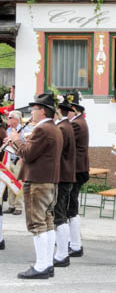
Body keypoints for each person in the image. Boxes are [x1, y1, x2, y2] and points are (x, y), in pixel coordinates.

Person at [10, 93, 63, 279]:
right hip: (49, 180)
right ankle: (47, 263)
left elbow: (29, 154)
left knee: (36, 223)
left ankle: (41, 266)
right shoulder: (53, 128)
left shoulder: (42, 130)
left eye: (34, 109)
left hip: (38, 181)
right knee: (47, 222)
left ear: (42, 111)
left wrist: (16, 140)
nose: (31, 112)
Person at [53, 98, 76, 268]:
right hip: (66, 174)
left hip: (62, 175)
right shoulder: (66, 126)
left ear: (58, 112)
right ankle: (62, 251)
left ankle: (62, 254)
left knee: (59, 214)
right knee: (61, 213)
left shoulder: (61, 127)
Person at [66, 90, 89, 258]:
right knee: (70, 205)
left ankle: (75, 245)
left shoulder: (75, 124)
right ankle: (71, 241)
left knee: (71, 207)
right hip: (77, 168)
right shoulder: (78, 121)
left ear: (73, 109)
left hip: (76, 169)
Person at [4, 110, 25, 215]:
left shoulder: (24, 129)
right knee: (10, 182)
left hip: (19, 159)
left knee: (19, 183)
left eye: (10, 117)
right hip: (9, 158)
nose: (8, 119)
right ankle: (11, 205)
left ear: (16, 119)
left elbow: (25, 145)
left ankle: (18, 206)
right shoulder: (8, 130)